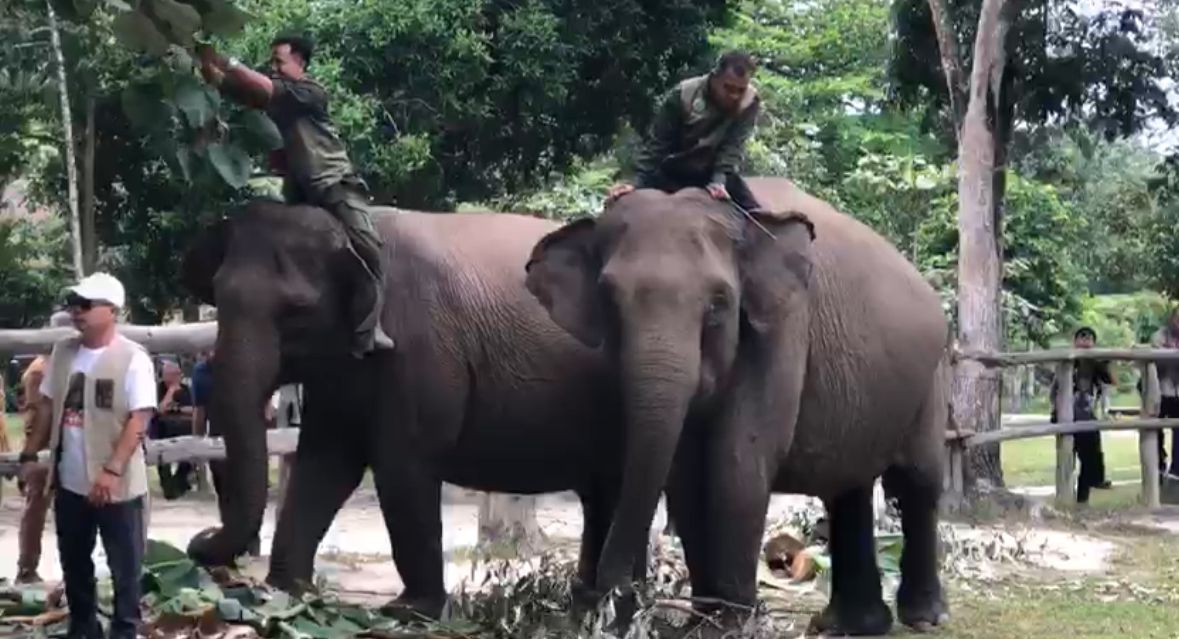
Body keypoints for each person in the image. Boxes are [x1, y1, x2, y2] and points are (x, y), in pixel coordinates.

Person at [195, 33, 394, 357]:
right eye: (271, 62)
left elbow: (258, 85)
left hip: (333, 183)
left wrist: (225, 59)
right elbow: (223, 84)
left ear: (300, 62)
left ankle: (371, 328)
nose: (273, 67)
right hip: (298, 191)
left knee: (369, 248)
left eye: (279, 61)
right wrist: (201, 56)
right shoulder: (275, 99)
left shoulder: (309, 92)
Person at [17, 273, 157, 639]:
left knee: (125, 567)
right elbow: (48, 407)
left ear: (112, 310)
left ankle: (125, 631)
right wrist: (31, 453)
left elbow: (139, 418)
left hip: (118, 485)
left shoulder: (132, 358)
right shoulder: (63, 352)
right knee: (75, 563)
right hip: (69, 481)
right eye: (73, 304)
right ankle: (83, 628)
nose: (76, 312)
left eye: (85, 305)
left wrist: (111, 471)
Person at [607, 50, 765, 214]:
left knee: (758, 220)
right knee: (623, 209)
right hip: (672, 170)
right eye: (728, 88)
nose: (734, 96)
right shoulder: (683, 95)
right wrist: (636, 181)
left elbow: (733, 145)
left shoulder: (749, 101)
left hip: (713, 172)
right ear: (714, 76)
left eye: (740, 90)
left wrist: (719, 181)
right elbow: (658, 144)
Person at [14, 310, 74, 584]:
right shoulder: (41, 371)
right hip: (45, 449)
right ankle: (27, 567)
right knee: (37, 508)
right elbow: (39, 415)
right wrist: (31, 453)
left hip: (67, 444)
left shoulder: (67, 364)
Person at [191, 349, 261, 556]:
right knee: (227, 495)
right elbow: (200, 411)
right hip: (219, 440)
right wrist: (198, 444)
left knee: (248, 493)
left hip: (247, 440)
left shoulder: (246, 364)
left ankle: (250, 545)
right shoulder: (202, 372)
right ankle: (235, 544)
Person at [1050, 326, 1113, 503]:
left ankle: (1083, 496)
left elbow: (1112, 381)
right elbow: (1054, 391)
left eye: (1089, 338)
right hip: (1066, 413)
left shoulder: (1095, 363)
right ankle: (1066, 496)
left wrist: (1102, 363)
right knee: (1068, 455)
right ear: (1075, 341)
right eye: (1082, 337)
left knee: (1091, 456)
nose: (1085, 341)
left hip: (1086, 415)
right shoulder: (1066, 360)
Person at [152, 359, 195, 499]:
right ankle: (168, 488)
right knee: (162, 456)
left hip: (184, 427)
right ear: (164, 375)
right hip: (162, 429)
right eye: (171, 374)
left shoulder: (185, 389)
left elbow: (194, 409)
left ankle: (179, 484)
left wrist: (177, 409)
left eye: (177, 374)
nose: (175, 377)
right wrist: (170, 392)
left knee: (190, 453)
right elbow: (159, 410)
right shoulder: (158, 389)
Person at [1150, 307, 1179, 477]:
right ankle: (1159, 464)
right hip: (1161, 389)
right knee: (1154, 428)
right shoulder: (1160, 335)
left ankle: (1177, 468)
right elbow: (1156, 356)